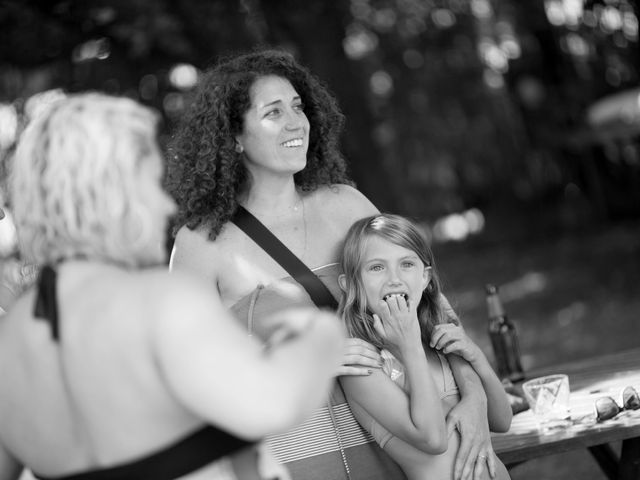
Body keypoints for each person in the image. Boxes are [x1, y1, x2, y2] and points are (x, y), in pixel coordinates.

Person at [168, 48, 500, 480]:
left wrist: (473, 398)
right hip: (301, 462)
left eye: (298, 106)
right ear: (233, 136)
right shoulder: (201, 244)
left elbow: (433, 314)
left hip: (413, 455)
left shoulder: (347, 206)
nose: (295, 122)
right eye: (273, 112)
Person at [0, 92, 345, 480]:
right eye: (149, 185)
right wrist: (316, 332)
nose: (165, 207)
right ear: (113, 196)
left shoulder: (12, 338)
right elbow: (275, 403)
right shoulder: (158, 304)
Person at [338, 214, 512, 480]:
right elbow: (433, 440)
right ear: (351, 285)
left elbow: (502, 420)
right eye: (376, 267)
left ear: (425, 278)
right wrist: (409, 346)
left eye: (407, 264)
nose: (394, 279)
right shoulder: (363, 366)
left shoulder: (439, 341)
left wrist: (475, 356)